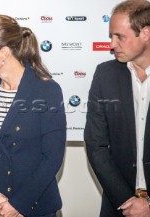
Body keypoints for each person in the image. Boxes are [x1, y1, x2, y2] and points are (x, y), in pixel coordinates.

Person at [0, 14, 67, 217]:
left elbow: (53, 157)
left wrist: (19, 205)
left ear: (3, 52)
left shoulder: (47, 90)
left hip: (35, 206)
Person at [84, 0, 150, 216]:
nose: (112, 44)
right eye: (111, 36)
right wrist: (126, 199)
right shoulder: (105, 75)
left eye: (119, 36)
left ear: (146, 34)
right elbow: (96, 144)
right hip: (119, 205)